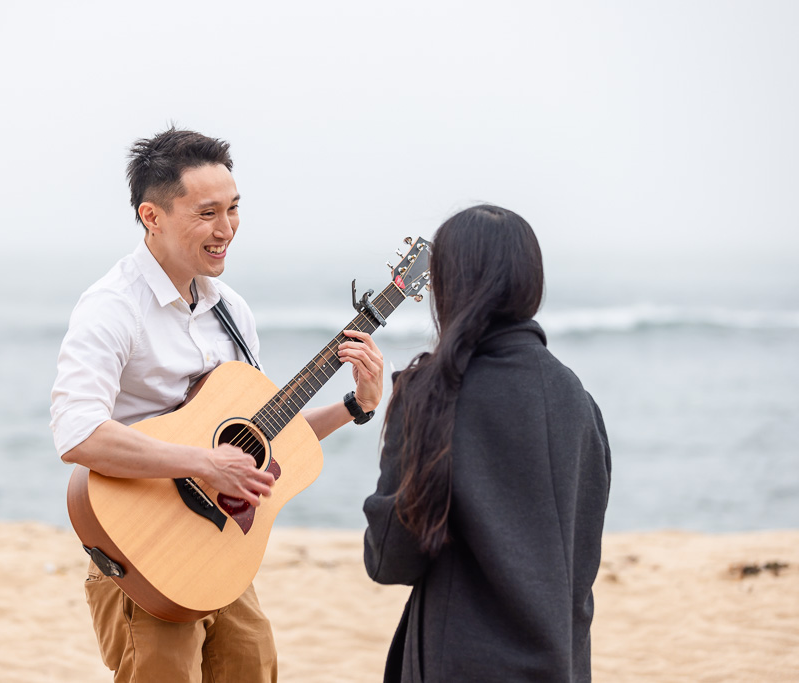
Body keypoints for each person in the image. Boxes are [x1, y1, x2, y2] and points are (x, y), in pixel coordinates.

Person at [50, 127, 385, 683]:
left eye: (233, 209)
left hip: (218, 547)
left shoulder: (231, 309)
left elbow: (257, 438)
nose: (226, 229)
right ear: (151, 216)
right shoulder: (110, 308)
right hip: (144, 550)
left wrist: (354, 406)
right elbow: (78, 435)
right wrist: (203, 464)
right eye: (207, 213)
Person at [363, 205, 611, 682]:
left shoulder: (430, 393)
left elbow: (389, 557)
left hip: (460, 663)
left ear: (449, 284)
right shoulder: (579, 401)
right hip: (565, 664)